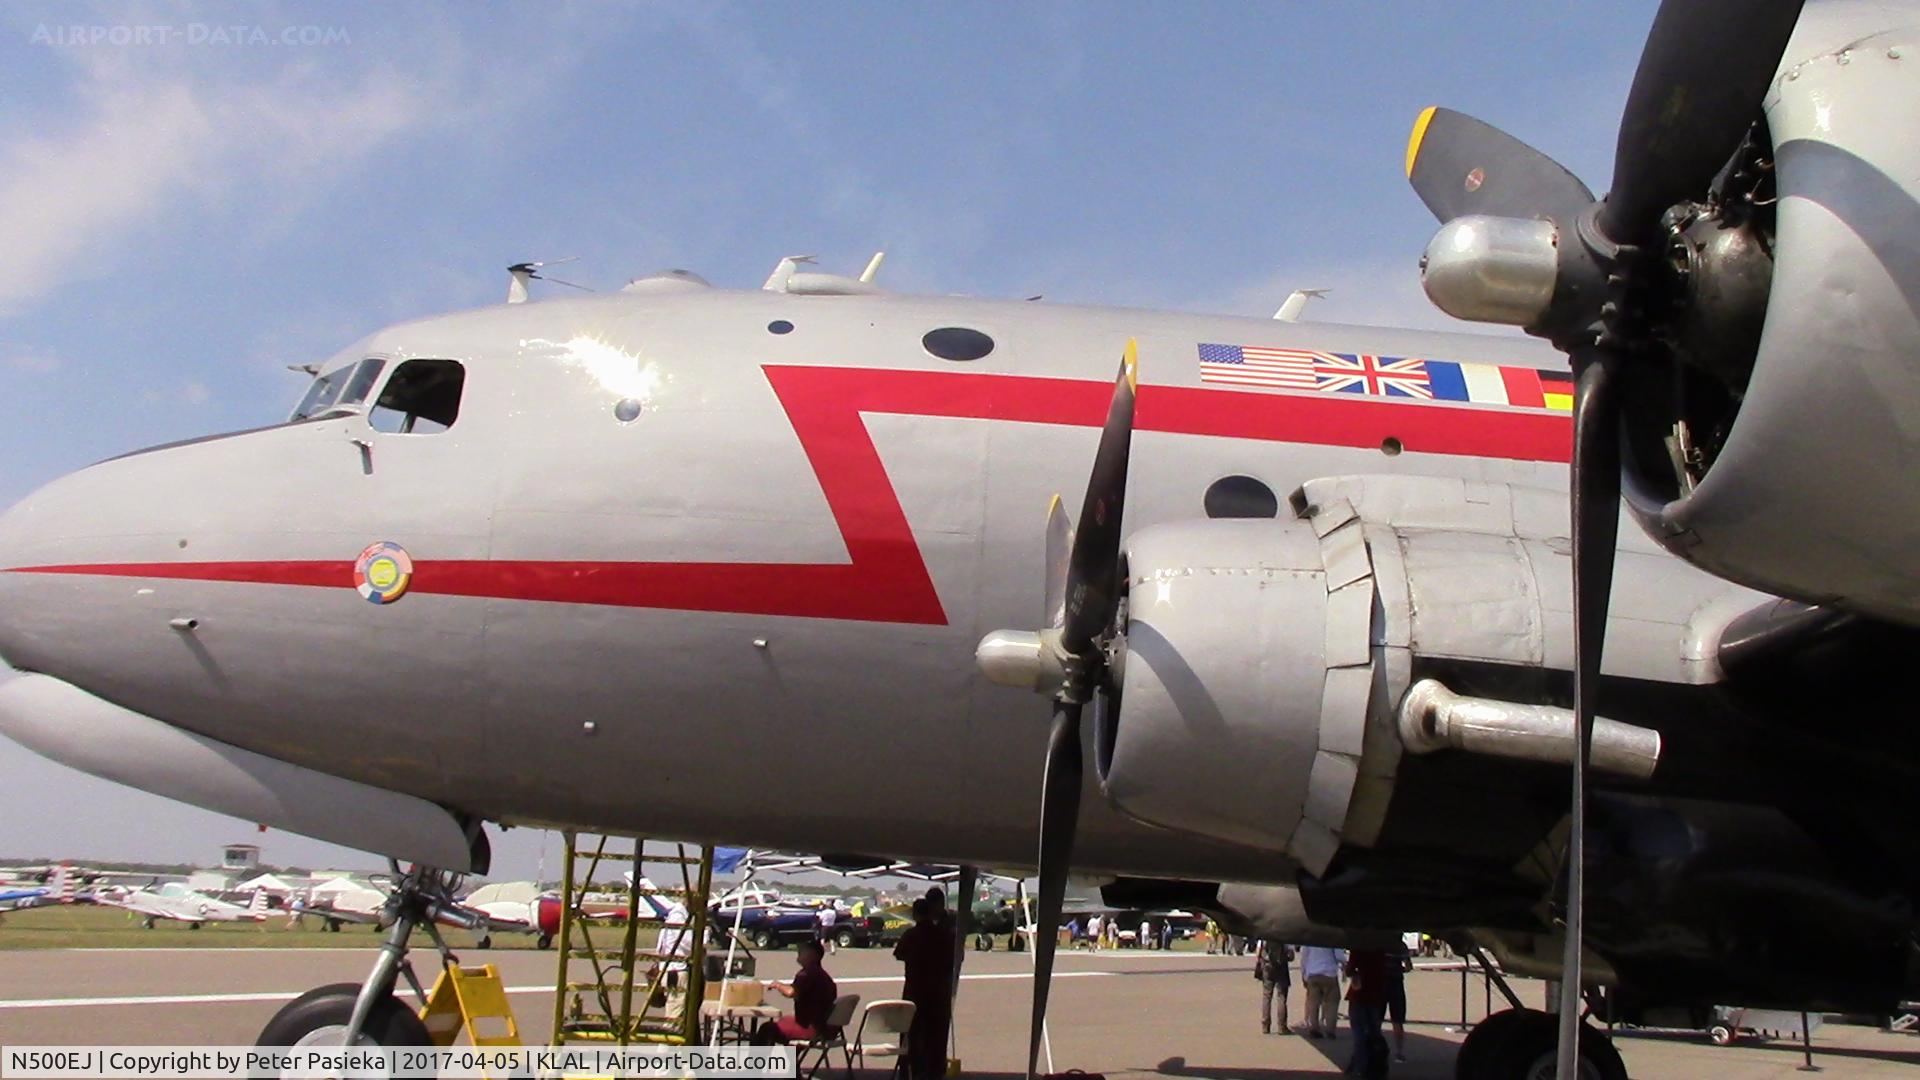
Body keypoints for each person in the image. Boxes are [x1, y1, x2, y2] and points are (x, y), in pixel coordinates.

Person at [894, 898, 955, 1080]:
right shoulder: (944, 935)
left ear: (915, 914)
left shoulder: (911, 935)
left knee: (911, 1035)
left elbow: (899, 954)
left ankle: (910, 1072)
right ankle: (935, 1071)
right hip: (938, 991)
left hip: (915, 990)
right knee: (935, 1035)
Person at [753, 939, 838, 1046]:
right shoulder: (824, 976)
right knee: (784, 1020)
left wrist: (777, 985)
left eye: (803, 950)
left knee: (767, 1029)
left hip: (812, 1028)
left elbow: (791, 992)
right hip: (827, 1028)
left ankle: (756, 1061)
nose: (799, 952)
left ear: (812, 955)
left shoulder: (807, 974)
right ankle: (790, 1060)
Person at [1344, 947, 1390, 1078]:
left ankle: (1361, 1066)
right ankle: (1375, 1064)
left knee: (1359, 1033)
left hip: (1359, 994)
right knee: (1374, 1032)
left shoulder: (1359, 946)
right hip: (1375, 995)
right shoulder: (1380, 949)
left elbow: (1349, 970)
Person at [1299, 945, 1345, 1039]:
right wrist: (1343, 965)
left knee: (1313, 1004)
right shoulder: (1332, 937)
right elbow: (1339, 956)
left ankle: (1314, 1028)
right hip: (1329, 973)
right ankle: (1330, 1030)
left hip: (1313, 974)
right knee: (1332, 1004)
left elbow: (1304, 957)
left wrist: (1303, 974)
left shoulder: (1309, 938)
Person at [1254, 939, 1293, 1035]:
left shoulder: (1264, 933)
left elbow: (1258, 952)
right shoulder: (1284, 934)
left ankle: (1265, 1025)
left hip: (1267, 966)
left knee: (1267, 996)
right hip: (1281, 967)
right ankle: (1281, 1026)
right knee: (1282, 996)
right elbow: (1291, 955)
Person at [1385, 936, 1413, 1062]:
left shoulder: (1380, 944)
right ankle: (1399, 1052)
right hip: (1396, 982)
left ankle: (1374, 1048)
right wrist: (1400, 968)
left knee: (1376, 1018)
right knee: (1397, 1021)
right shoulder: (1401, 946)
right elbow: (1408, 966)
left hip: (1381, 982)